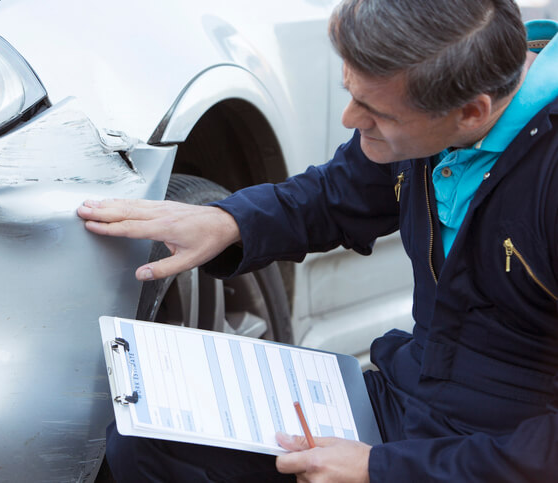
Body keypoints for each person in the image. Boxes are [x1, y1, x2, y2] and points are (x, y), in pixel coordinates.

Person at [77, 0, 558, 480]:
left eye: (374, 112)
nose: (350, 119)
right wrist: (226, 222)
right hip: (409, 401)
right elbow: (340, 193)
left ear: (471, 112)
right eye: (349, 93)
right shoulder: (436, 111)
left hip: (505, 449)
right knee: (152, 437)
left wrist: (383, 470)